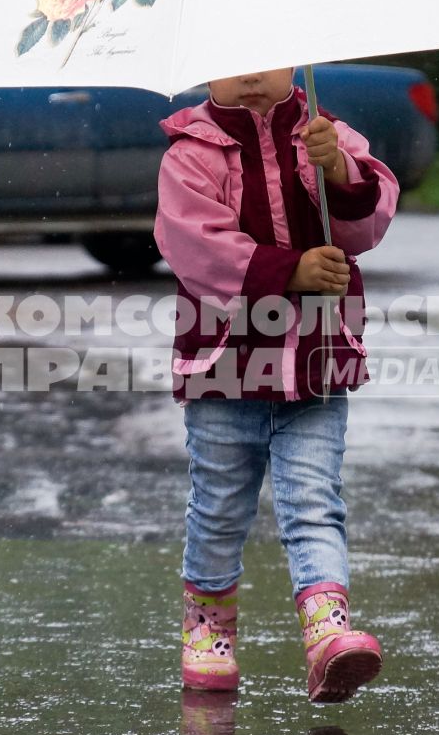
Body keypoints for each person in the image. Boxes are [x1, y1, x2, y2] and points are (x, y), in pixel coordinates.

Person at [153, 66, 397, 702]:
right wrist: (289, 270)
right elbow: (193, 246)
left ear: (296, 58)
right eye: (232, 61)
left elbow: (366, 227)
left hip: (317, 355)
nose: (250, 76)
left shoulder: (326, 136)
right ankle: (208, 629)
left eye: (265, 57)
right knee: (220, 503)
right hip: (224, 359)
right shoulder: (191, 154)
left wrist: (340, 174)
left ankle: (327, 637)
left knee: (314, 498)